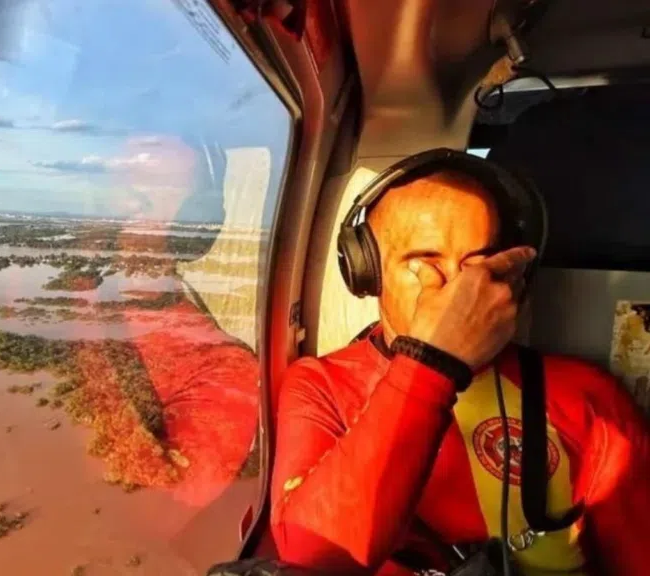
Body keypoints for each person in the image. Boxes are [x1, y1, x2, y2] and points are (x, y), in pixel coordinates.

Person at [268, 156, 650, 575]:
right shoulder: (321, 386)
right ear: (367, 272)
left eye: (479, 265)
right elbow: (312, 557)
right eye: (424, 263)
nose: (460, 293)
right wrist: (434, 361)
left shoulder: (588, 398)